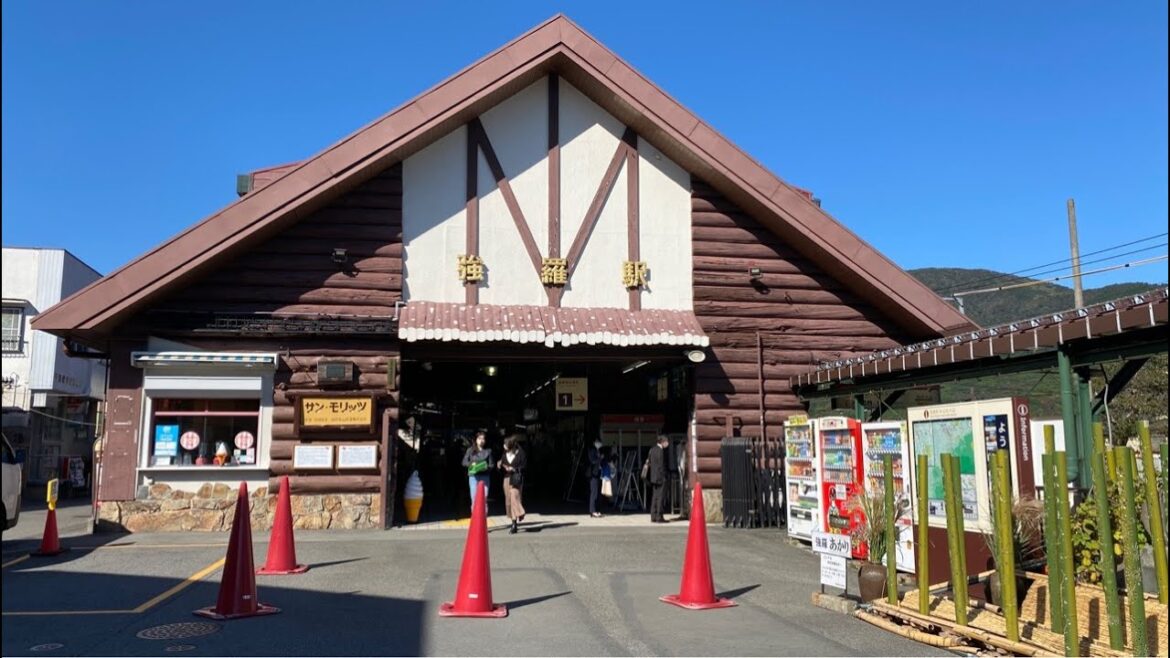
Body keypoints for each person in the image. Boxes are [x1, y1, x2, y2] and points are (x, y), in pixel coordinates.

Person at [498, 435, 527, 534]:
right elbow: (502, 463)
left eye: (506, 444)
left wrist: (514, 469)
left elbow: (524, 466)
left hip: (516, 478)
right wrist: (500, 465)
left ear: (511, 445)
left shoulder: (521, 453)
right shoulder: (505, 453)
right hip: (506, 478)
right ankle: (513, 521)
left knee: (515, 497)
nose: (504, 446)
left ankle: (515, 522)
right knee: (509, 500)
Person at [461, 431, 492, 515]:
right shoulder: (470, 450)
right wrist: (471, 464)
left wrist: (485, 467)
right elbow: (464, 462)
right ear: (476, 440)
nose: (481, 440)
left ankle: (484, 521)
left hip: (485, 476)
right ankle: (475, 520)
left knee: (484, 499)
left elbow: (491, 465)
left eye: (483, 438)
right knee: (474, 498)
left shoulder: (488, 451)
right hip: (473, 477)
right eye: (479, 438)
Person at [648, 434, 669, 523]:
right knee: (660, 497)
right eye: (666, 441)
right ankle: (659, 516)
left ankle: (653, 515)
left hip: (653, 477)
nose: (667, 443)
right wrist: (664, 476)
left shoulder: (652, 450)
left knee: (654, 497)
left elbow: (649, 462)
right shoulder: (660, 451)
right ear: (662, 442)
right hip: (660, 478)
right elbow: (661, 466)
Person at [587, 438, 604, 518]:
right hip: (593, 474)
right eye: (598, 442)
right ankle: (592, 511)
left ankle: (597, 510)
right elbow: (593, 461)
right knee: (594, 493)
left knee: (597, 493)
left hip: (598, 473)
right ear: (594, 443)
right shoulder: (592, 450)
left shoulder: (598, 451)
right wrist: (600, 458)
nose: (599, 444)